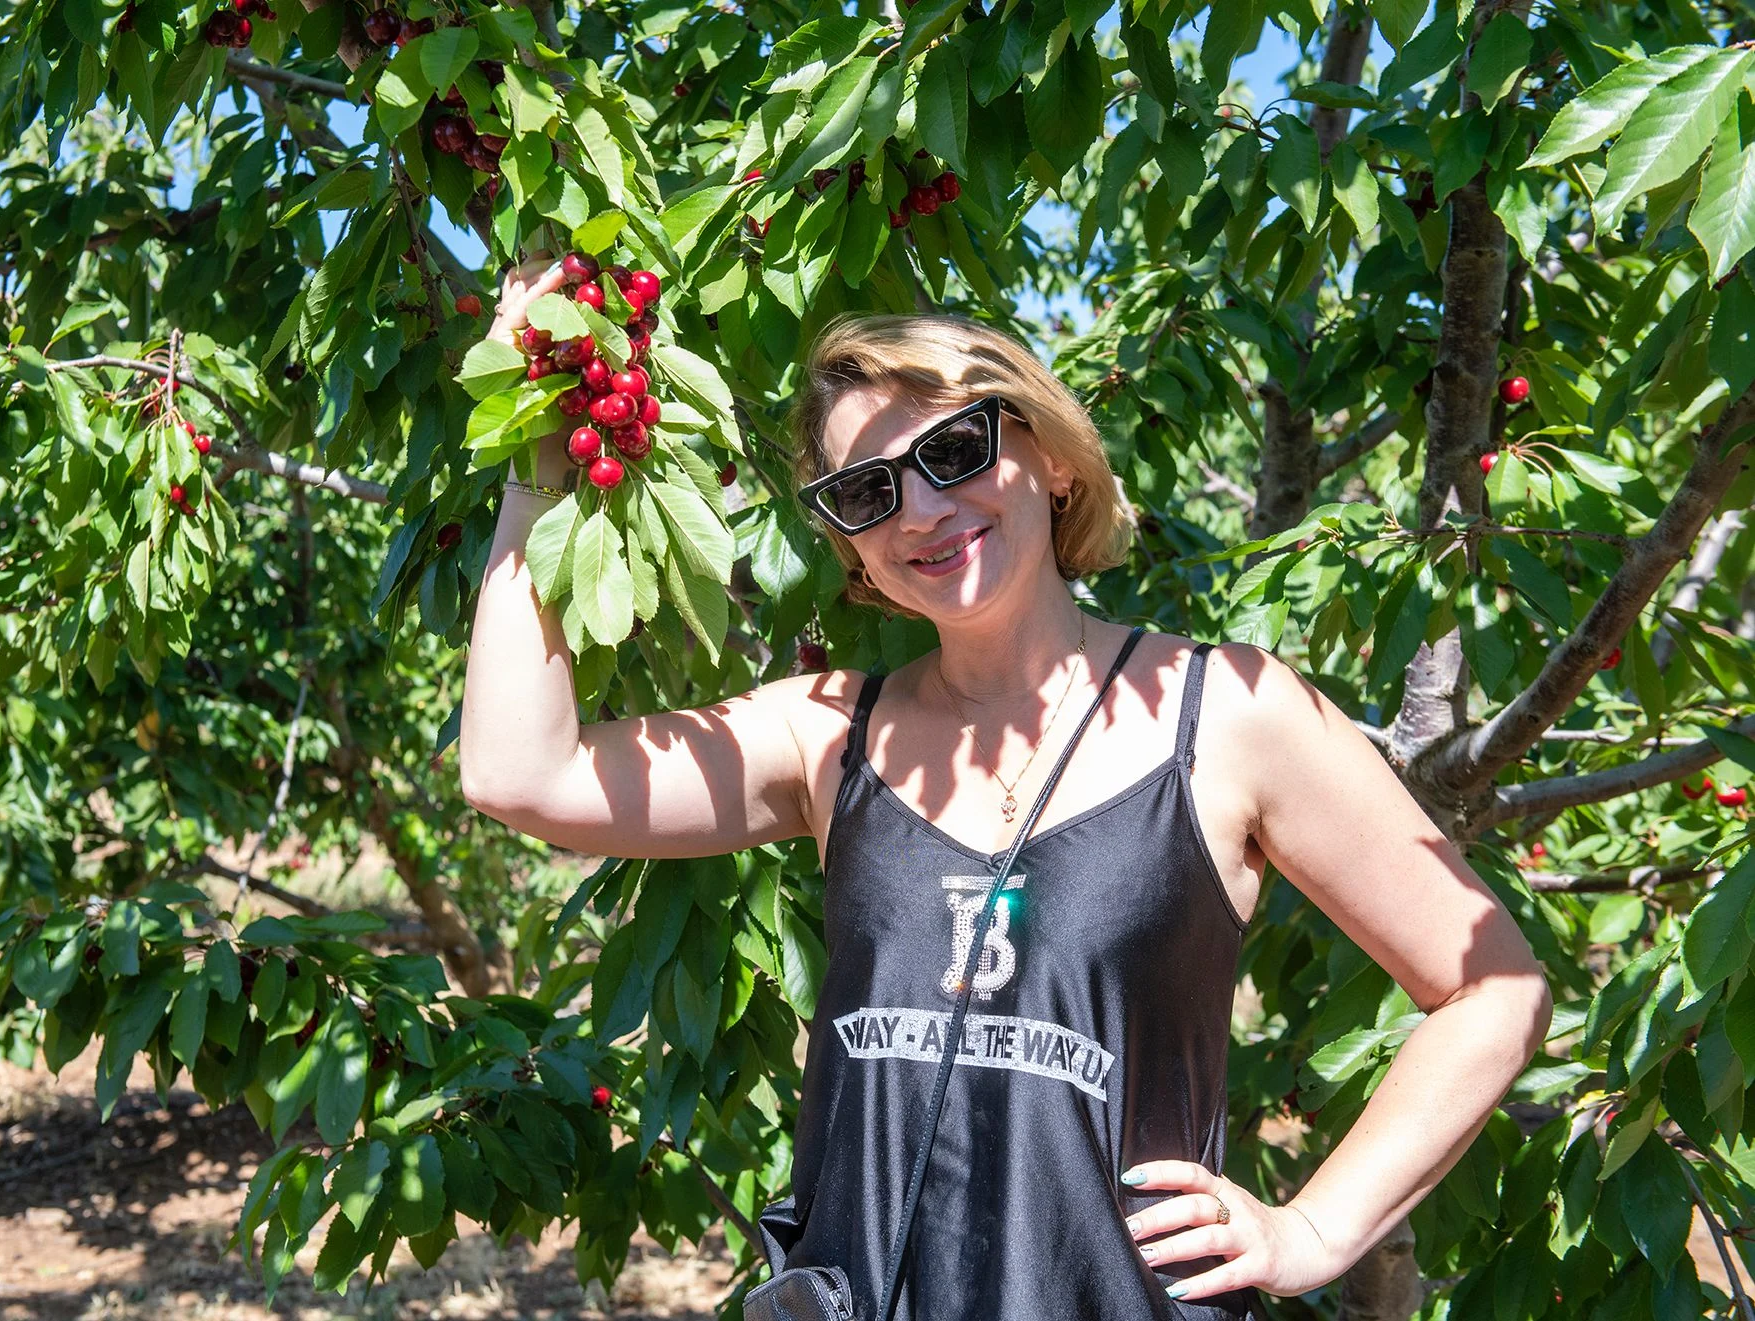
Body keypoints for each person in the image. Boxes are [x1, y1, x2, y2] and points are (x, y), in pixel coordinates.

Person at [459, 258, 1553, 1319]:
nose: (920, 510)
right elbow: (520, 772)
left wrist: (1312, 1228)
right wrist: (538, 448)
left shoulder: (1228, 713)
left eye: (955, 449)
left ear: (1054, 458)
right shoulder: (827, 735)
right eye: (866, 492)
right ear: (850, 546)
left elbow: (1492, 990)